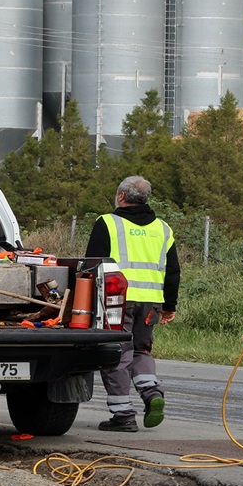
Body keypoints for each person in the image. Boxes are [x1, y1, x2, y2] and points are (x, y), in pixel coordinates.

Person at [84, 175, 180, 432]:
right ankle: (151, 393)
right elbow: (173, 272)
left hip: (116, 301)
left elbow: (92, 264)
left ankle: (123, 414)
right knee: (141, 350)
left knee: (116, 353)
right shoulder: (163, 228)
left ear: (121, 196)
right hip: (151, 303)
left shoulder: (107, 223)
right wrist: (170, 306)